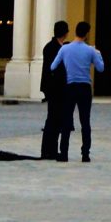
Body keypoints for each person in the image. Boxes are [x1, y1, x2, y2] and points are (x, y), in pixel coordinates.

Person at [47, 21, 105, 162]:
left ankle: (64, 153)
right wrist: (99, 55)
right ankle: (85, 153)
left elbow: (53, 66)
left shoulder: (65, 49)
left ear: (75, 32)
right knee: (85, 121)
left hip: (70, 86)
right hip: (85, 87)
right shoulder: (90, 50)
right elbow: (101, 68)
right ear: (86, 34)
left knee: (66, 120)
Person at [38, 20, 70, 160]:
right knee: (53, 120)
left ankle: (50, 149)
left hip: (55, 88)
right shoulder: (54, 48)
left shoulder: (52, 46)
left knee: (55, 120)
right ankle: (48, 150)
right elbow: (54, 70)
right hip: (55, 88)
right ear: (65, 33)